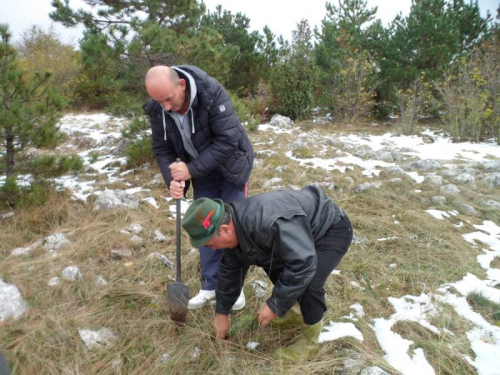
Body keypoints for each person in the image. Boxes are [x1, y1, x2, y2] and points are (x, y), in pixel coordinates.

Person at [181, 185, 353, 360]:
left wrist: (275, 304)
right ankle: (293, 312)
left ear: (225, 229)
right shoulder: (236, 228)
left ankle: (310, 340)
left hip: (330, 229)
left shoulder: (268, 223)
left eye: (208, 243)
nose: (209, 248)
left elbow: (302, 264)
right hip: (298, 233)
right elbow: (229, 272)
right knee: (275, 265)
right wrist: (222, 312)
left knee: (308, 282)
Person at [143, 65, 253, 310]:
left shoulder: (212, 93)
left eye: (169, 99)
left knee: (231, 224)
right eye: (159, 102)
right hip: (202, 171)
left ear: (181, 84)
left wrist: (190, 170)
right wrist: (172, 180)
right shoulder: (158, 108)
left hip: (232, 166)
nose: (166, 108)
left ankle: (234, 288)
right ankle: (210, 285)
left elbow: (228, 140)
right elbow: (162, 149)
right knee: (204, 224)